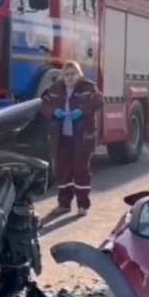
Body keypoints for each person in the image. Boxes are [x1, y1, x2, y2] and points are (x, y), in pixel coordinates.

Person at [40, 61, 104, 218]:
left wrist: (82, 111)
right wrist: (54, 111)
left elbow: (99, 101)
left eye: (73, 73)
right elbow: (43, 104)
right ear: (63, 76)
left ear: (79, 75)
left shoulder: (88, 87)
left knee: (81, 171)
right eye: (67, 74)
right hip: (62, 138)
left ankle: (83, 205)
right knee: (63, 172)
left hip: (82, 138)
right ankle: (64, 204)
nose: (70, 77)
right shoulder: (56, 88)